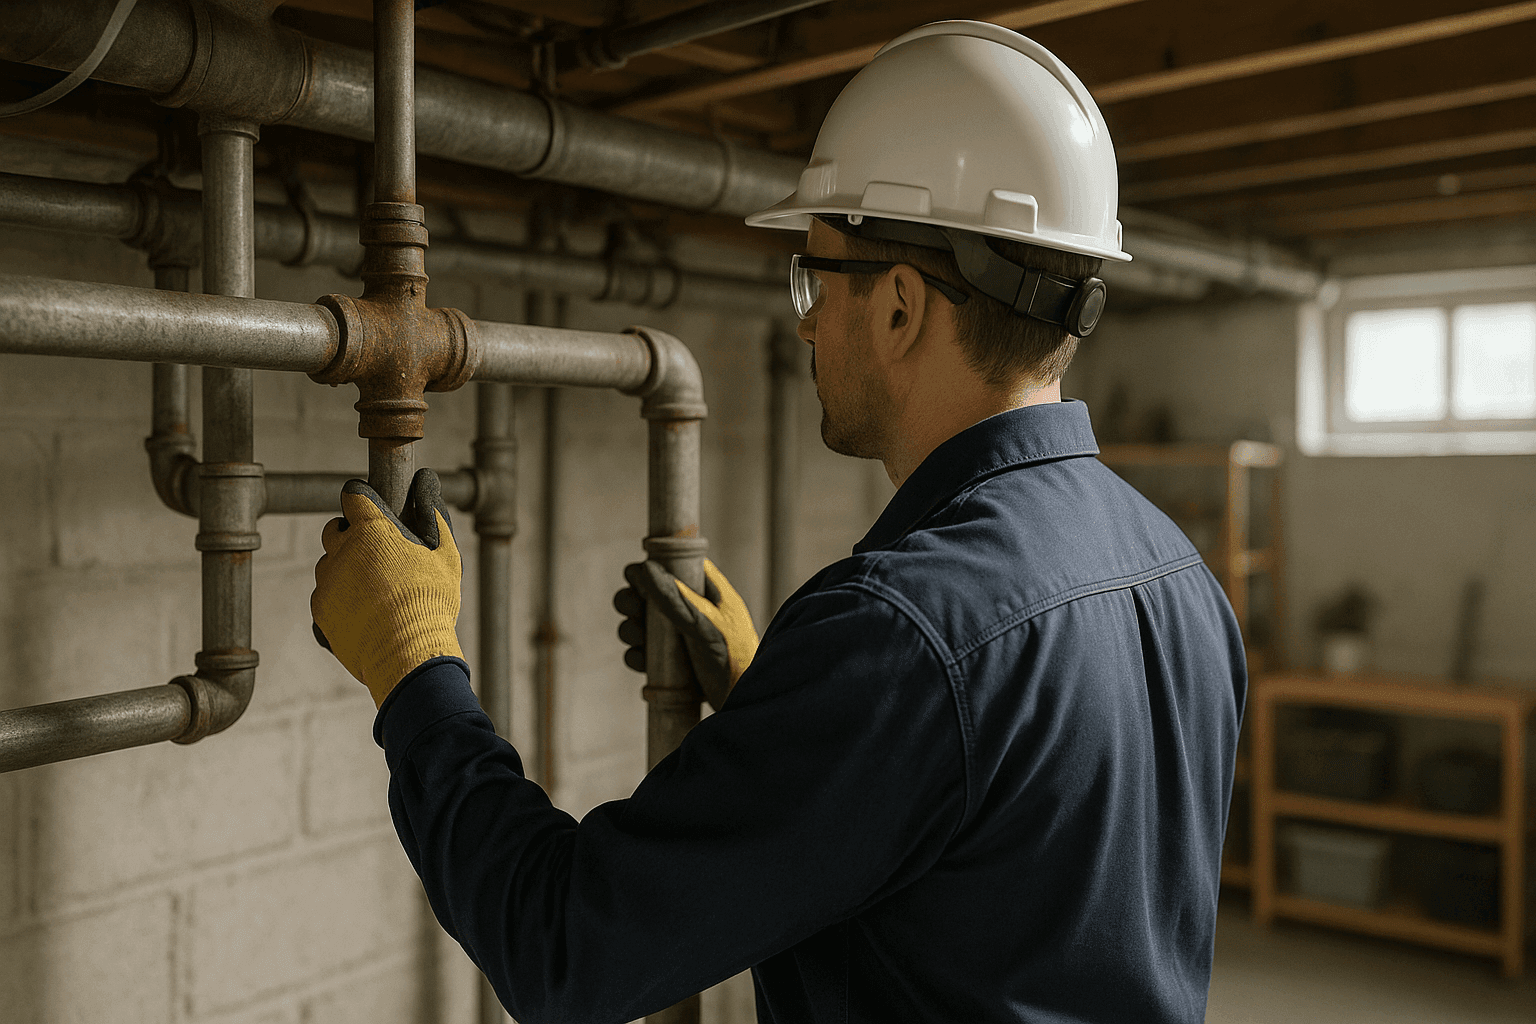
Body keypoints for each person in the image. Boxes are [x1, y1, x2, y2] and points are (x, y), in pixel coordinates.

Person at [310, 21, 1245, 1024]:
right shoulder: (1182, 576)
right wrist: (776, 701)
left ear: (899, 309)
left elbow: (569, 945)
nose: (804, 320)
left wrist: (413, 669)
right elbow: (1008, 867)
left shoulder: (902, 630)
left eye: (816, 274)